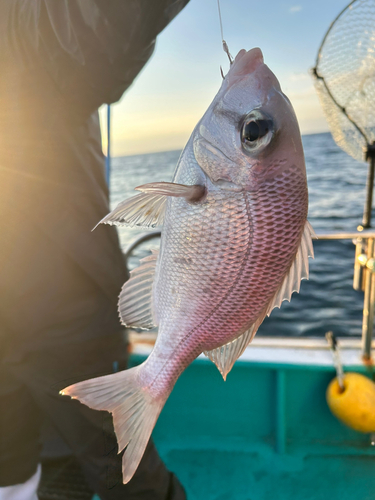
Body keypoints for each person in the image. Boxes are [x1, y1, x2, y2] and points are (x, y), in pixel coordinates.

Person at [0, 1, 189, 499]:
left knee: (122, 466)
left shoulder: (26, 22)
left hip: (62, 306)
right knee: (7, 461)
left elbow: (90, 34)